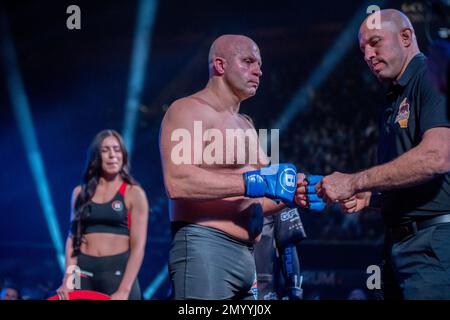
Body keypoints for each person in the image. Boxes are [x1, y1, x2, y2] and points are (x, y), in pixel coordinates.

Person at [299, 9, 450, 299]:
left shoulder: (432, 78)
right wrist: (372, 198)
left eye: (376, 41)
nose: (368, 54)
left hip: (433, 245)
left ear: (406, 37)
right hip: (403, 246)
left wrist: (355, 182)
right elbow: (421, 182)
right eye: (362, 48)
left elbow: (436, 157)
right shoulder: (395, 97)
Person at [159, 34, 321, 300]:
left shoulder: (245, 124)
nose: (258, 70)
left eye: (259, 64)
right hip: (206, 247)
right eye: (248, 61)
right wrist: (253, 181)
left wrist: (296, 194)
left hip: (248, 258)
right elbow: (178, 182)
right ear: (220, 65)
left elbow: (259, 197)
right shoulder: (187, 110)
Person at [56, 130, 149, 300]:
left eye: (117, 149)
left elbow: (138, 248)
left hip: (117, 273)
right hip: (82, 273)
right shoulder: (79, 193)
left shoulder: (134, 193)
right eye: (105, 150)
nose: (112, 155)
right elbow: (73, 239)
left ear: (123, 155)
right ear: (96, 156)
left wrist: (124, 290)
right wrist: (68, 280)